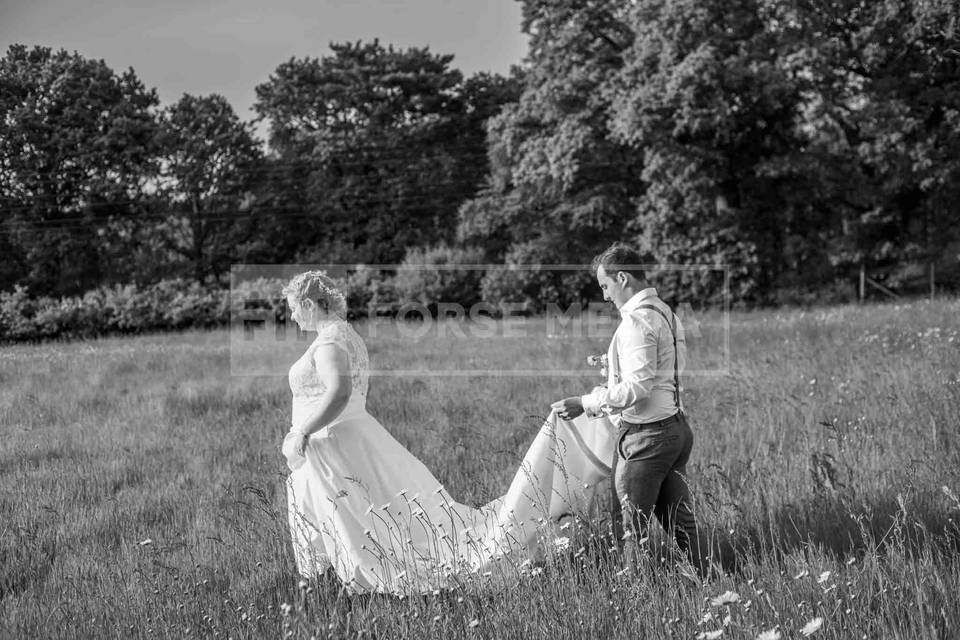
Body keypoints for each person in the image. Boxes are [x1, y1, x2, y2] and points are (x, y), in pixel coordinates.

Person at [280, 270, 616, 594]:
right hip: (352, 436)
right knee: (374, 514)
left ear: (310, 304)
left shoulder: (328, 342)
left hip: (333, 440)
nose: (293, 316)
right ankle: (336, 586)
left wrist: (302, 433)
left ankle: (348, 587)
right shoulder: (344, 334)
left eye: (294, 307)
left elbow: (339, 392)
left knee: (362, 519)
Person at [552, 243, 707, 577]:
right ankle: (708, 582)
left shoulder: (636, 321)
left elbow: (638, 389)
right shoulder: (664, 311)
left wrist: (584, 403)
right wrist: (612, 364)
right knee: (682, 524)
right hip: (675, 431)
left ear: (622, 278)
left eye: (606, 286)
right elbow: (662, 366)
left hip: (646, 439)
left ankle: (634, 596)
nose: (606, 296)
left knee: (628, 530)